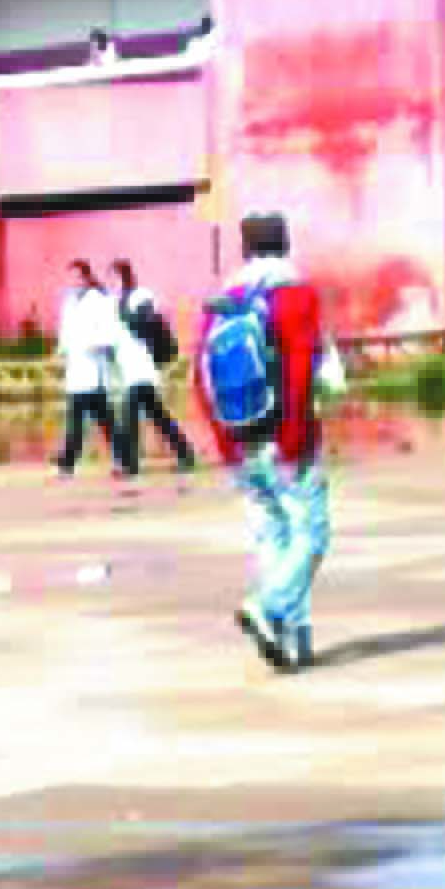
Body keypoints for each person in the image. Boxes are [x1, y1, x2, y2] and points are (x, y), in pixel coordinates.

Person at [197, 207, 333, 673]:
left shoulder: (224, 300)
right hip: (285, 436)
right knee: (312, 532)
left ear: (245, 247)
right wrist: (295, 435)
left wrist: (224, 442)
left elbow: (202, 376)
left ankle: (294, 641)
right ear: (286, 243)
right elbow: (299, 370)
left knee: (273, 535)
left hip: (240, 439)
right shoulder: (295, 294)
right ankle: (269, 607)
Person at [55, 263, 142, 480]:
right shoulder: (69, 303)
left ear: (86, 278)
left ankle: (120, 461)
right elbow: (66, 332)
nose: (73, 282)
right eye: (70, 278)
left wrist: (93, 345)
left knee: (102, 422)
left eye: (77, 277)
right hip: (76, 371)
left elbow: (109, 333)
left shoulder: (98, 301)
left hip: (94, 371)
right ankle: (69, 465)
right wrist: (62, 349)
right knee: (87, 421)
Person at [112, 261, 199, 471]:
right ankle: (185, 455)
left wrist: (124, 315)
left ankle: (129, 463)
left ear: (123, 276)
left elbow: (145, 323)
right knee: (157, 415)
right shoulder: (117, 302)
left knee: (130, 413)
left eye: (113, 277)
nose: (111, 283)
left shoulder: (140, 296)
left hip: (143, 365)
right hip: (129, 367)